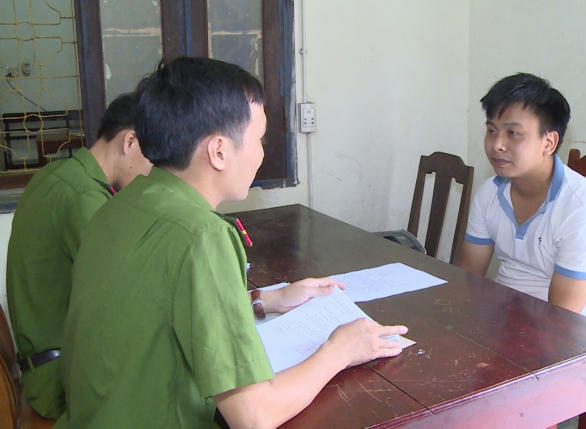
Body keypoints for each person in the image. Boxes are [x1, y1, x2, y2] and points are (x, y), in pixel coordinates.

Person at [56, 57, 407, 428]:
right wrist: (341, 350)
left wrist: (267, 300)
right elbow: (253, 417)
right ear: (219, 151)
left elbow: (159, 307)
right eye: (259, 139)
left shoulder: (120, 206)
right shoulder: (202, 235)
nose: (262, 154)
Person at [5, 92, 153, 418]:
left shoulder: (57, 175)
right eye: (152, 159)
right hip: (60, 382)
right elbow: (129, 296)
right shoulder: (84, 198)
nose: (151, 172)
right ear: (130, 141)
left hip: (44, 367)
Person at [456, 73, 586, 325]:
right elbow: (467, 279)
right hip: (503, 323)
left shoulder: (582, 210)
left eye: (513, 133)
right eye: (491, 130)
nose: (497, 144)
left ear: (548, 142)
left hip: (573, 338)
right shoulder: (489, 193)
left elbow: (561, 319)